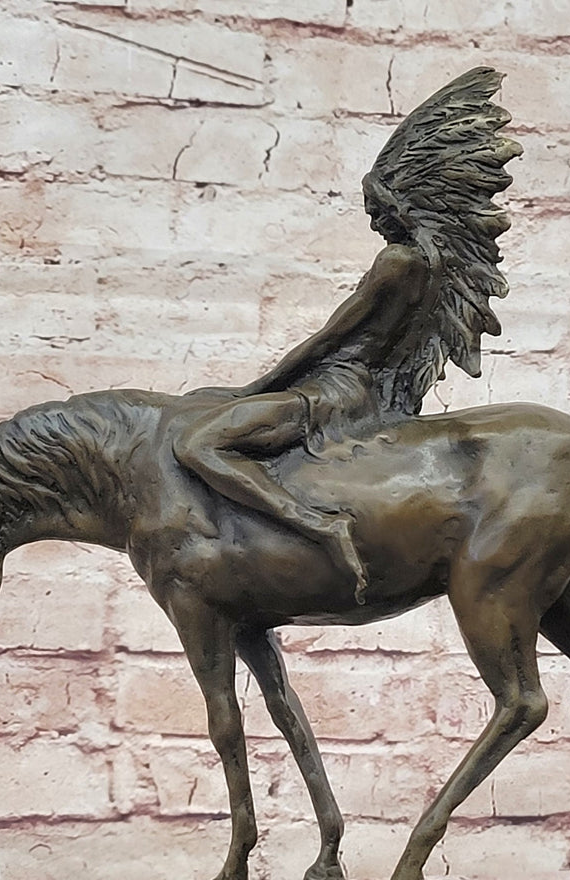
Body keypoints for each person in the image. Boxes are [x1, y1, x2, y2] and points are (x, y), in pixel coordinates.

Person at [173, 211, 436, 603]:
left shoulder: (397, 260)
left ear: (401, 200)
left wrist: (253, 389)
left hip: (334, 390)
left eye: (377, 208)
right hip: (358, 387)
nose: (374, 221)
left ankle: (318, 525)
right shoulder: (429, 265)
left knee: (196, 443)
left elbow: (327, 340)